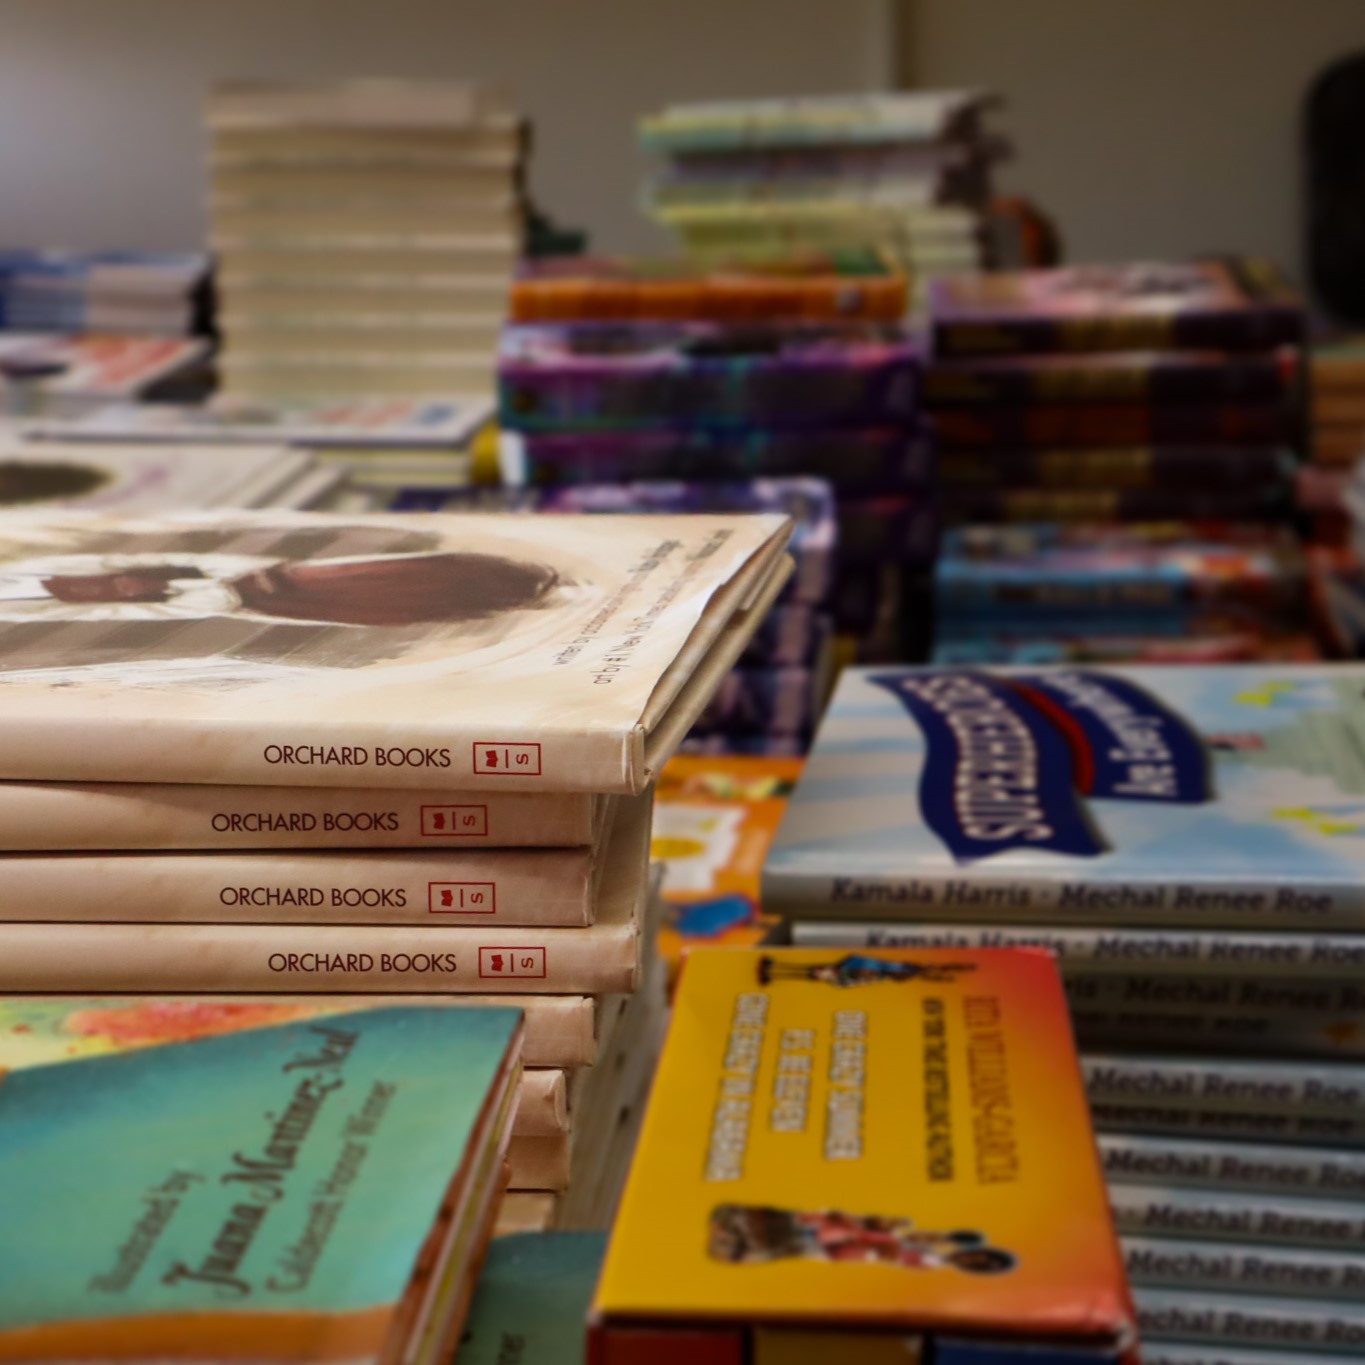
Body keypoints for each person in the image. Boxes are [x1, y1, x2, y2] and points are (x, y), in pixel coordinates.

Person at [756, 954, 977, 988]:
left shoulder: (896, 974)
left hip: (849, 974)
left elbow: (866, 974)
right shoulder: (903, 969)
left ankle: (774, 972)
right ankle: (774, 969)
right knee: (810, 971)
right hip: (851, 969)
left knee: (811, 974)